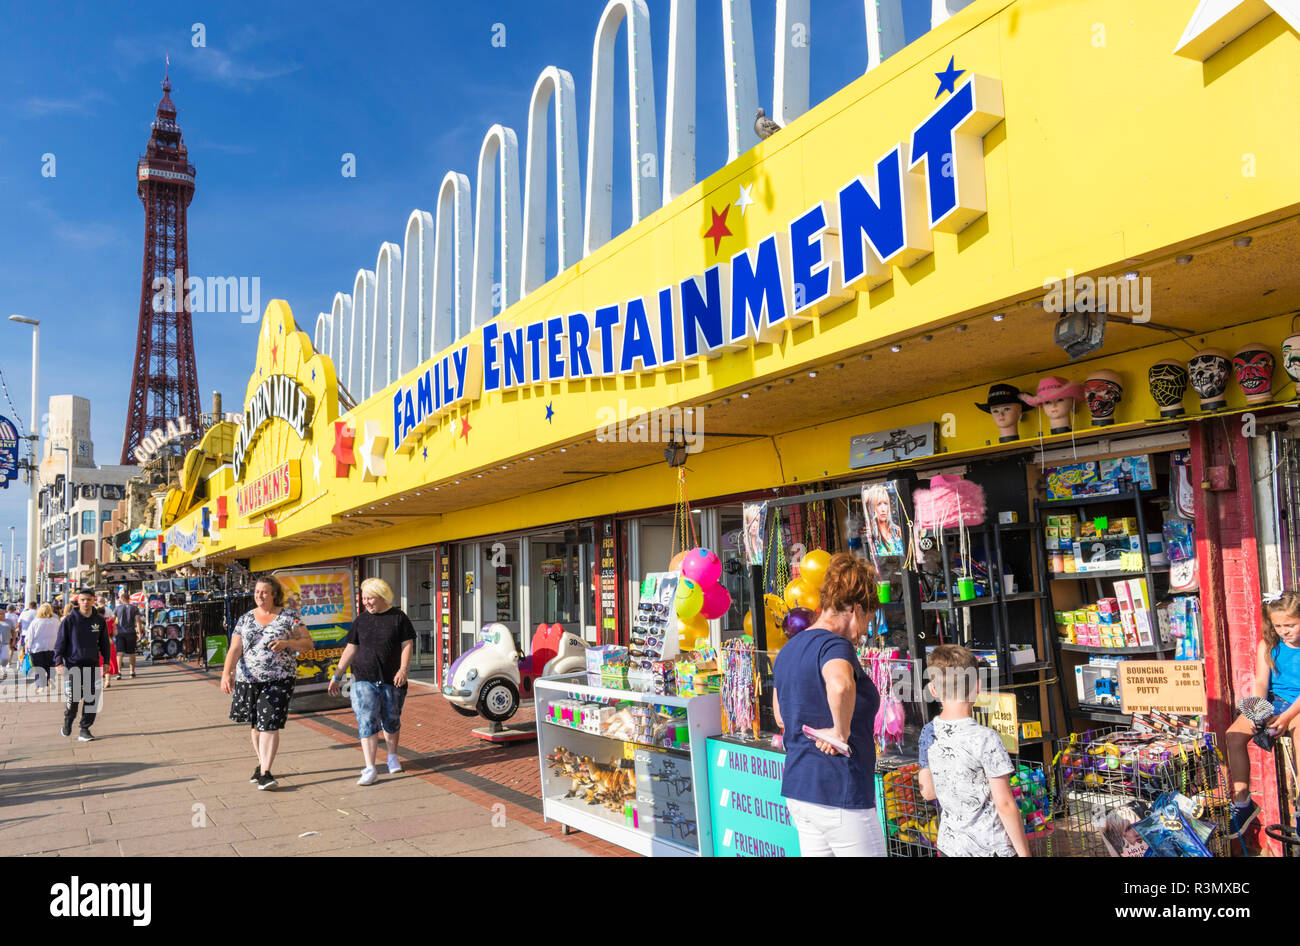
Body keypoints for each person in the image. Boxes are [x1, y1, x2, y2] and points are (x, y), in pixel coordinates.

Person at [771, 552, 884, 856]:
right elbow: (840, 683)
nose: (865, 631)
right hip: (839, 790)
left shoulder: (789, 648)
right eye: (868, 619)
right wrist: (839, 731)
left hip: (800, 789)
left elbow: (781, 715)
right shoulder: (836, 645)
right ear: (856, 609)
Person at [916, 644, 1030, 857]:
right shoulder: (986, 738)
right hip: (990, 847)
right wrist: (1025, 854)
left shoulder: (928, 733)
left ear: (933, 690)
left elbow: (928, 791)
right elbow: (1004, 804)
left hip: (950, 847)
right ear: (977, 686)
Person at [220, 576, 313, 790]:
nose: (259, 596)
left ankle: (265, 773)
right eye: (257, 592)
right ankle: (261, 763)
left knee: (269, 722)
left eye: (264, 592)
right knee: (256, 725)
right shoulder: (244, 619)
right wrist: (227, 673)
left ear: (274, 595)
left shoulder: (290, 617)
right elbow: (235, 649)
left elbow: (308, 643)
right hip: (248, 679)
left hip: (279, 678)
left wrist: (287, 643)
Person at [1225, 591, 1300, 836]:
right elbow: (1260, 682)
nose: (1283, 630)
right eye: (1278, 625)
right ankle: (1243, 803)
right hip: (1273, 701)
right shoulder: (1268, 645)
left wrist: (1286, 717)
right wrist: (1259, 712)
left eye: (1290, 625)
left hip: (1297, 704)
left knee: (1299, 733)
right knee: (1233, 735)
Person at [327, 578, 415, 785]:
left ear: (382, 597)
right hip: (363, 678)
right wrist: (337, 675)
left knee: (391, 720)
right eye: (364, 598)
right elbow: (351, 648)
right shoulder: (361, 620)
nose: (366, 602)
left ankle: (392, 756)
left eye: (370, 598)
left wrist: (403, 669)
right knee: (366, 720)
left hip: (392, 679)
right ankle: (370, 767)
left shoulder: (398, 618)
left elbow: (407, 644)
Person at [53, 590, 111, 741]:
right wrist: (58, 661)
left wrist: (106, 661)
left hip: (92, 664)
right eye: (83, 600)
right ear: (78, 601)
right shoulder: (69, 620)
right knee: (74, 698)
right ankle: (68, 720)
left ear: (94, 601)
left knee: (92, 698)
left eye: (89, 600)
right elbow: (60, 642)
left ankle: (85, 729)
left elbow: (105, 643)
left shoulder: (99, 620)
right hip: (73, 665)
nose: (86, 602)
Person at [24, 603, 60, 694]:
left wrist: (27, 647)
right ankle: (50, 679)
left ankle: (40, 685)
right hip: (52, 647)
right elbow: (60, 634)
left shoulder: (36, 621)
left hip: (37, 648)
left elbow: (29, 636)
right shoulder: (56, 621)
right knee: (51, 666)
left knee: (39, 668)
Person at [113, 592, 143, 679]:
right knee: (131, 653)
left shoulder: (117, 608)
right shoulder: (134, 608)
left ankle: (119, 673)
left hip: (120, 633)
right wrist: (139, 633)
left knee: (119, 653)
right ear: (129, 599)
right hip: (131, 633)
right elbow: (138, 622)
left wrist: (113, 631)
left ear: (122, 599)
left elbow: (112, 621)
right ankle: (132, 672)